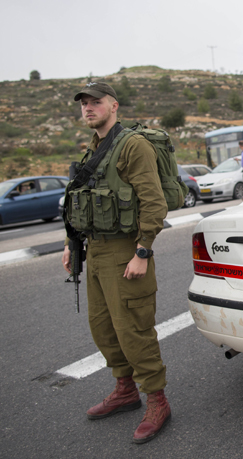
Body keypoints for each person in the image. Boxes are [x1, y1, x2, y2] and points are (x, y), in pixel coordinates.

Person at [61, 82, 171, 444]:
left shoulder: (132, 145)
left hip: (126, 251)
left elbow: (154, 203)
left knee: (134, 330)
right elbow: (80, 203)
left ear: (114, 106)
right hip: (95, 252)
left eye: (96, 103)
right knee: (103, 328)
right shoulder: (93, 148)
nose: (88, 108)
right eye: (84, 104)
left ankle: (157, 401)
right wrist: (70, 244)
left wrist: (143, 251)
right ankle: (125, 390)